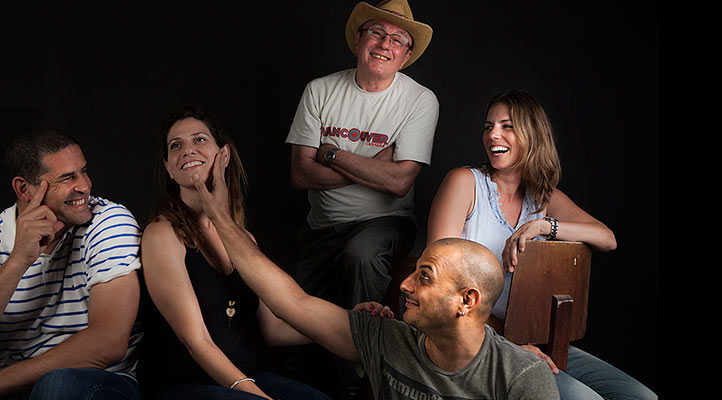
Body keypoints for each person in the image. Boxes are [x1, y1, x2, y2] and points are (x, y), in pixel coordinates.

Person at [183, 152, 558, 399]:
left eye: (425, 277)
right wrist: (217, 214)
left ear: (467, 300)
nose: (404, 285)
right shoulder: (386, 338)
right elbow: (291, 302)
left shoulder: (522, 376)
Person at [426, 89, 657, 399]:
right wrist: (509, 344)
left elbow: (607, 239)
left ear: (532, 134)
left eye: (507, 126)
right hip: (475, 338)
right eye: (488, 126)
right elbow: (437, 280)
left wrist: (544, 225)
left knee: (640, 396)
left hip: (533, 339)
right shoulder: (465, 183)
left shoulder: (543, 198)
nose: (493, 134)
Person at [283, 0, 439, 395]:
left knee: (361, 255)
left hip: (385, 223)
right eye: (377, 33)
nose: (385, 44)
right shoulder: (320, 90)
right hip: (322, 227)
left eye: (398, 40)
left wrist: (331, 154)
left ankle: (360, 381)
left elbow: (399, 182)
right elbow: (301, 174)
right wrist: (374, 165)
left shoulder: (420, 100)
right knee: (299, 327)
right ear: (358, 39)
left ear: (406, 56)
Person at [137, 105, 342, 400]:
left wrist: (346, 322)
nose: (188, 150)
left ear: (223, 155)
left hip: (254, 376)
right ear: (169, 167)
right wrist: (254, 394)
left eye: (199, 139)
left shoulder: (243, 239)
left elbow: (273, 328)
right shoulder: (162, 234)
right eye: (176, 146)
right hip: (188, 384)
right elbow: (196, 341)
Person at [0, 127, 143, 399]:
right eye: (67, 178)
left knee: (58, 384)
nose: (85, 186)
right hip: (14, 392)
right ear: (24, 189)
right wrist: (18, 260)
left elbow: (108, 344)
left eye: (83, 171)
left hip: (97, 384)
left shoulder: (108, 221)